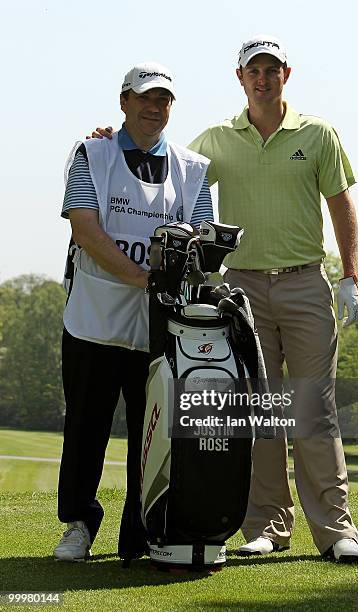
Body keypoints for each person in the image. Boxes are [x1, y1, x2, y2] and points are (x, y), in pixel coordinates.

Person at [91, 36, 358, 563]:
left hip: (307, 281)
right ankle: (266, 526)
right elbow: (164, 166)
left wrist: (351, 273)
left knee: (313, 408)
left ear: (286, 73)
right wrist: (113, 141)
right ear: (239, 78)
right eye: (252, 71)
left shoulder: (318, 133)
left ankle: (335, 530)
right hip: (240, 291)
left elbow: (341, 200)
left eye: (270, 69)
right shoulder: (215, 139)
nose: (262, 79)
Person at [54, 62, 214, 562]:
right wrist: (145, 279)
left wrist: (200, 263)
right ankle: (79, 524)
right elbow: (85, 229)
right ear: (123, 101)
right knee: (85, 429)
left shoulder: (193, 168)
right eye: (145, 98)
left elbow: (203, 243)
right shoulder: (92, 153)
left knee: (154, 437)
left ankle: (142, 531)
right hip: (94, 319)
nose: (154, 107)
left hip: (159, 328)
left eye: (163, 100)